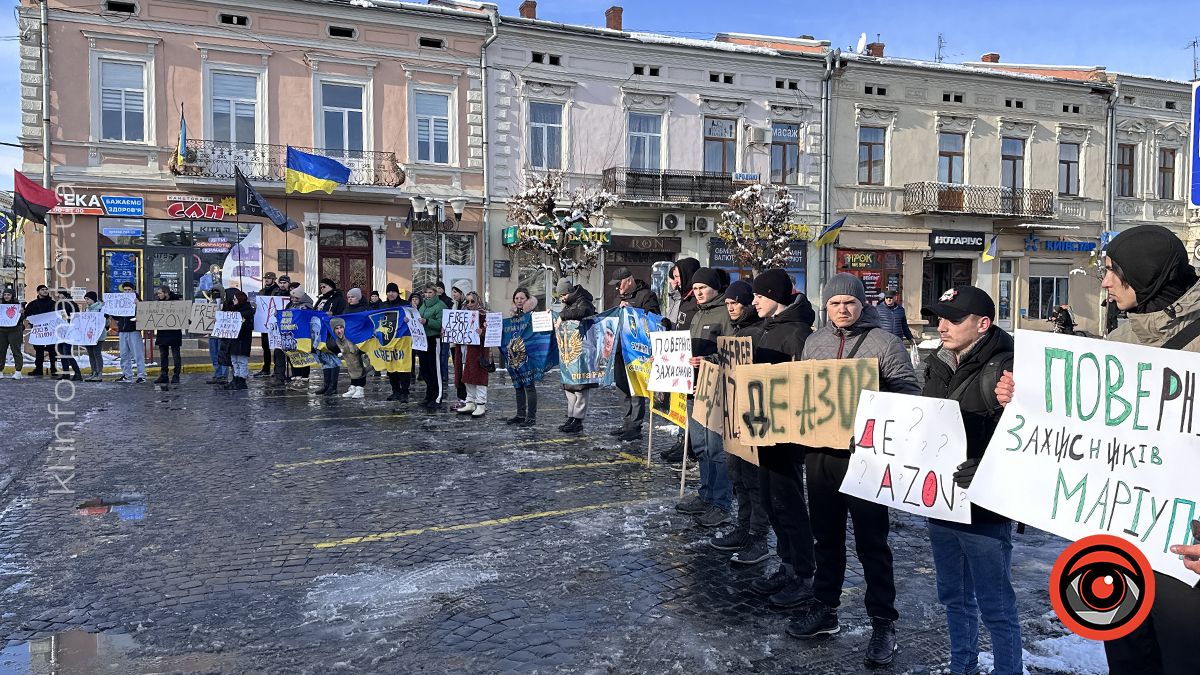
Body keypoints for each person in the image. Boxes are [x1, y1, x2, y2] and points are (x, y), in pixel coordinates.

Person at [996, 224, 1200, 675]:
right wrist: (1028, 396)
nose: (1104, 282)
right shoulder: (1124, 342)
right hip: (1121, 538)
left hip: (1187, 551)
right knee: (1127, 658)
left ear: (1145, 274)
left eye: (1111, 271)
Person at [787, 273, 919, 668]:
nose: (842, 310)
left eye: (849, 303)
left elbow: (910, 392)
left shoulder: (884, 342)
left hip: (867, 456)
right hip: (822, 453)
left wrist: (875, 393)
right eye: (834, 304)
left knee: (872, 544)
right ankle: (826, 609)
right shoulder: (815, 341)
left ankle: (883, 622)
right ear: (825, 307)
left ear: (863, 305)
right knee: (825, 538)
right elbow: (799, 390)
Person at [922, 285, 1021, 675]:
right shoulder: (937, 361)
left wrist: (988, 466)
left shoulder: (1009, 366)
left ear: (983, 324)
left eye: (953, 318)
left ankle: (1008, 670)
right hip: (940, 501)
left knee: (996, 604)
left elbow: (1032, 438)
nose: (942, 325)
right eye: (940, 317)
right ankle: (961, 666)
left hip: (984, 508)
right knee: (954, 597)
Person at [745, 270, 819, 608]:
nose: (754, 301)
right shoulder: (767, 329)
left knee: (788, 504)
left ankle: (803, 574)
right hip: (762, 428)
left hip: (786, 433)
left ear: (777, 295)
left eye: (761, 295)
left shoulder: (798, 334)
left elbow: (805, 384)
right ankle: (786, 564)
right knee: (770, 500)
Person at [708, 279, 772, 565]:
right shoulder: (737, 330)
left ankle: (758, 534)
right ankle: (743, 527)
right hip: (733, 414)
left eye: (736, 303)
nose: (731, 308)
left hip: (754, 417)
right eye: (728, 304)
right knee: (739, 478)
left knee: (755, 481)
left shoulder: (760, 332)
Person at [677, 267, 735, 528]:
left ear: (715, 288)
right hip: (694, 388)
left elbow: (734, 351)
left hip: (715, 389)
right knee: (700, 446)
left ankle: (721, 502)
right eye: (696, 289)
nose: (698, 293)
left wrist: (708, 360)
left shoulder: (725, 313)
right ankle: (706, 493)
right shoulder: (698, 314)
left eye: (703, 288)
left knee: (717, 448)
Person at [608, 266, 660, 441]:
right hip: (620, 351)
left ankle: (635, 426)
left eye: (619, 284)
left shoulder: (646, 296)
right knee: (622, 388)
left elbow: (654, 319)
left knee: (636, 389)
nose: (617, 288)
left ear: (629, 281)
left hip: (637, 353)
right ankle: (627, 423)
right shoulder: (618, 298)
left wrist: (633, 310)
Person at [556, 277, 596, 433]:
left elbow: (583, 312)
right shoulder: (568, 303)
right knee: (570, 387)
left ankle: (578, 419)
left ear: (569, 292)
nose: (562, 298)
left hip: (581, 353)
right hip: (569, 353)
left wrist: (562, 316)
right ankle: (571, 417)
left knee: (579, 388)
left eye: (563, 295)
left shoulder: (583, 300)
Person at [507, 287, 540, 427]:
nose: (519, 301)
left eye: (522, 298)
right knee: (518, 385)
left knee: (529, 386)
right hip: (515, 355)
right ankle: (520, 415)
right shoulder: (512, 316)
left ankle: (531, 417)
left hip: (529, 355)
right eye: (517, 298)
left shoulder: (533, 314)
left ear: (527, 299)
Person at [456, 291, 491, 417]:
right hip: (465, 349)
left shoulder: (484, 315)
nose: (469, 304)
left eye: (472, 301)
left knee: (479, 377)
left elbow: (491, 332)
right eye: (467, 301)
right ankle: (470, 401)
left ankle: (481, 403)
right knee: (467, 376)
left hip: (478, 351)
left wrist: (483, 331)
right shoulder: (462, 315)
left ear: (477, 301)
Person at [379, 283, 412, 402]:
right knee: (391, 367)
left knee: (402, 367)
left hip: (403, 340)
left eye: (393, 291)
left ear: (397, 292)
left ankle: (404, 392)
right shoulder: (382, 306)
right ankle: (395, 391)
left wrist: (409, 318)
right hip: (388, 341)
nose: (391, 294)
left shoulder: (405, 305)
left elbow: (413, 318)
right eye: (389, 291)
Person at [417, 283, 447, 410]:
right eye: (426, 292)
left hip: (434, 339)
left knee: (434, 370)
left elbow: (441, 323)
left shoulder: (440, 306)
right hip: (423, 339)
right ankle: (429, 395)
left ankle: (437, 396)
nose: (427, 295)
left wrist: (427, 321)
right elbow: (418, 317)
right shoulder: (423, 304)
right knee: (425, 370)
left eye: (430, 292)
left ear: (435, 293)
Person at [111, 282, 146, 383]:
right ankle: (127, 375)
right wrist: (111, 309)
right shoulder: (120, 301)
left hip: (134, 330)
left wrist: (138, 304)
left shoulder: (138, 301)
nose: (127, 292)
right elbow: (116, 316)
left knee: (137, 354)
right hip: (123, 330)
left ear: (133, 290)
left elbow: (144, 313)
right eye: (125, 290)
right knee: (124, 354)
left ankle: (141, 375)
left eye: (129, 290)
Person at [222, 289, 255, 390]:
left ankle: (242, 380)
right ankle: (236, 379)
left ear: (240, 300)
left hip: (242, 340)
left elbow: (250, 326)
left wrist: (242, 323)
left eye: (235, 299)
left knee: (241, 361)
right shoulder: (232, 310)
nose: (233, 301)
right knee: (234, 361)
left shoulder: (247, 311)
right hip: (233, 339)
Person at [327, 317, 365, 399]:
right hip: (350, 359)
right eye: (336, 328)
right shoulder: (338, 339)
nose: (339, 330)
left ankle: (360, 387)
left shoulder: (350, 337)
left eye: (341, 328)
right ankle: (353, 386)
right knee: (351, 367)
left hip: (359, 354)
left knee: (358, 365)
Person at [152, 285, 183, 384]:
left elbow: (184, 315)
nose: (158, 295)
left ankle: (176, 375)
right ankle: (164, 375)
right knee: (163, 355)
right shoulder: (158, 303)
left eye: (160, 293)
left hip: (174, 332)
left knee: (176, 355)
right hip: (163, 332)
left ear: (166, 293)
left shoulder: (177, 302)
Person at [254, 272, 282, 377]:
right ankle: (266, 368)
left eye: (269, 278)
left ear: (273, 280)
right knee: (265, 346)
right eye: (265, 278)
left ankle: (276, 369)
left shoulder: (278, 291)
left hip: (274, 323)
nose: (267, 280)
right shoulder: (262, 291)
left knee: (276, 347)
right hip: (264, 323)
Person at [24, 285, 57, 377]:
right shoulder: (33, 304)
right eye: (42, 290)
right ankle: (38, 369)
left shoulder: (53, 303)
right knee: (39, 351)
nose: (45, 291)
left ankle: (53, 369)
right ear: (38, 292)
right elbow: (26, 315)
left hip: (50, 331)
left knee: (52, 350)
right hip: (38, 331)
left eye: (46, 289)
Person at [54, 290, 83, 382]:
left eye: (61, 296)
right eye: (58, 297)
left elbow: (75, 317)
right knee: (62, 352)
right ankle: (66, 373)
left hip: (69, 331)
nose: (59, 298)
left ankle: (77, 373)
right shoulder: (58, 304)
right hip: (61, 331)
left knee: (66, 353)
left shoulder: (71, 304)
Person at [204, 284, 228, 385]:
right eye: (213, 292)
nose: (215, 294)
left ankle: (223, 375)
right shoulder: (210, 303)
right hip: (212, 333)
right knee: (214, 355)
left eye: (217, 292)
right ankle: (217, 374)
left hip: (221, 334)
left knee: (221, 355)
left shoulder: (226, 304)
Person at [80, 291, 106, 381]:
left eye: (88, 299)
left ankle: (99, 373)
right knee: (91, 354)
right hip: (88, 335)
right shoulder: (87, 309)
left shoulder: (101, 308)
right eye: (85, 299)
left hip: (98, 335)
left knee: (97, 353)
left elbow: (105, 322)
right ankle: (93, 372)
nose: (86, 301)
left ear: (93, 299)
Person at [0, 286, 24, 378]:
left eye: (8, 294)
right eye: (5, 294)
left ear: (12, 296)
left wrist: (21, 313)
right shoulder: (1, 305)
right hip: (2, 330)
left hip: (15, 330)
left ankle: (18, 371)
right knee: (1, 351)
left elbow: (22, 318)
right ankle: (0, 370)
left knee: (16, 350)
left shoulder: (18, 305)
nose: (6, 296)